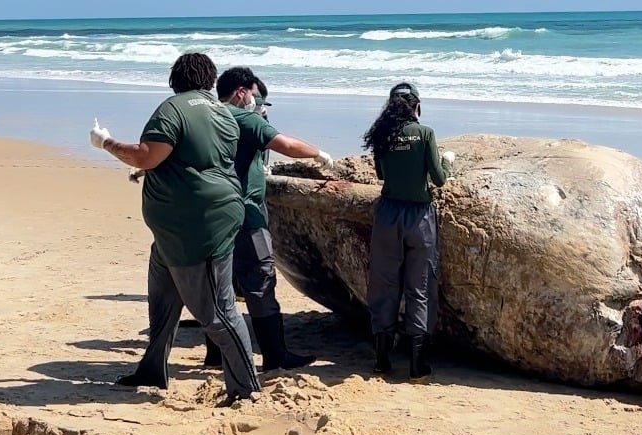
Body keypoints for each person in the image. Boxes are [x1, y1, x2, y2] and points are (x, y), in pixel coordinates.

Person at [88, 52, 261, 405]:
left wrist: (104, 142)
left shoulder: (174, 109)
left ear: (174, 80)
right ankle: (152, 369)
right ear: (210, 80)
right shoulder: (223, 113)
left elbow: (145, 156)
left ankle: (246, 389)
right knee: (163, 303)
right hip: (179, 230)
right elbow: (190, 160)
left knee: (218, 312)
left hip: (196, 230)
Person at [198, 65, 334, 372]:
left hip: (210, 216)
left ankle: (215, 355)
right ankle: (275, 356)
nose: (258, 103)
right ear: (241, 92)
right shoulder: (244, 118)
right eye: (255, 96)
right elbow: (286, 145)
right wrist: (319, 154)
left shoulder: (205, 116)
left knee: (220, 285)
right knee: (260, 281)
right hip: (246, 212)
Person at [362, 82, 454, 383]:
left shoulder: (381, 134)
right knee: (420, 287)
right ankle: (416, 365)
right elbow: (439, 179)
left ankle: (381, 360)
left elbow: (380, 174)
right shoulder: (425, 133)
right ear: (417, 106)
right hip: (419, 217)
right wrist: (447, 165)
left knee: (384, 284)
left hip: (388, 214)